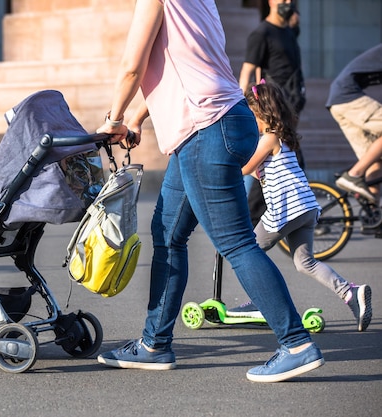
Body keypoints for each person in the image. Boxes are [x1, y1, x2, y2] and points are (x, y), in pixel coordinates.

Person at [94, 0, 324, 383]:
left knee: (235, 243)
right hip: (221, 123)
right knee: (167, 233)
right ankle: (154, 344)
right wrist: (136, 117)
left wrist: (113, 119)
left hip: (205, 130)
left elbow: (132, 66)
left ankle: (296, 344)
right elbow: (185, 67)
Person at [226, 81, 372, 332]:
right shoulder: (283, 136)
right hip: (305, 208)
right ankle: (350, 293)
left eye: (252, 117)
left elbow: (246, 168)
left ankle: (261, 302)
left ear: (261, 113)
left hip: (286, 209)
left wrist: (223, 165)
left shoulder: (269, 138)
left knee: (247, 251)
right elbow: (265, 172)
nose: (251, 123)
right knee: (305, 263)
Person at [239, 0, 306, 226]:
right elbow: (248, 70)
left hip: (291, 105)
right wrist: (242, 106)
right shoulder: (262, 33)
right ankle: (253, 218)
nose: (286, 2)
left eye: (290, 0)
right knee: (269, 161)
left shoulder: (289, 31)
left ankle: (297, 208)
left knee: (291, 158)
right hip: (273, 107)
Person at [327, 44, 382, 206]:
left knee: (374, 161)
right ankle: (354, 174)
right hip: (347, 97)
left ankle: (373, 219)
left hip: (339, 101)